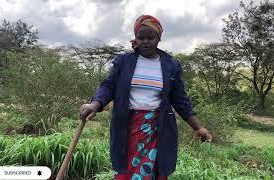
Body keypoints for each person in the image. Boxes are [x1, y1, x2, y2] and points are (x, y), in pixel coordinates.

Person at [79, 15, 212, 180]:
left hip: (158, 127)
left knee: (153, 170)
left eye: (151, 37)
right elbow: (109, 85)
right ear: (135, 38)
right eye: (141, 37)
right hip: (128, 126)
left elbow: (180, 100)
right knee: (126, 169)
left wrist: (198, 127)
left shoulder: (171, 65)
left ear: (159, 38)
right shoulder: (124, 61)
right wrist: (95, 104)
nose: (146, 41)